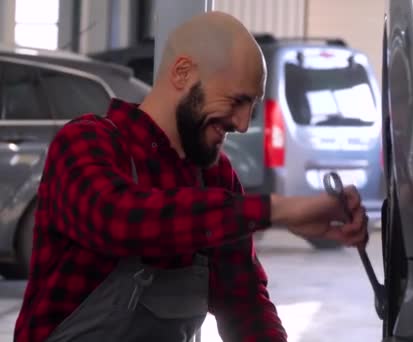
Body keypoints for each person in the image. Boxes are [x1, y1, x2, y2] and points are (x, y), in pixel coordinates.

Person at [13, 11, 369, 342]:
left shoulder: (217, 179)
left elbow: (244, 304)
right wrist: (277, 211)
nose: (243, 124)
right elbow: (121, 220)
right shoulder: (86, 142)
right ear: (182, 73)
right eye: (236, 101)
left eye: (253, 107)